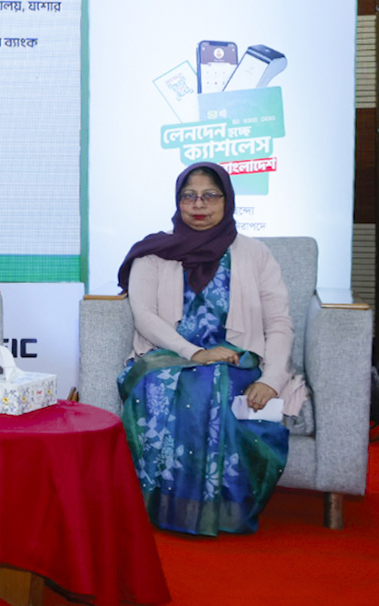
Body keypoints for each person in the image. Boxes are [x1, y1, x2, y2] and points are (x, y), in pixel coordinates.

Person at [116, 161, 303, 535]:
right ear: (178, 201)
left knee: (215, 383)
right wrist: (194, 353)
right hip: (165, 357)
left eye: (210, 195)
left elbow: (279, 323)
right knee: (180, 385)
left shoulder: (255, 254)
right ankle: (163, 506)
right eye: (189, 196)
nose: (198, 204)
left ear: (227, 200)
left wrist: (271, 379)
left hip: (236, 358)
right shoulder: (152, 252)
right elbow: (144, 316)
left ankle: (214, 510)